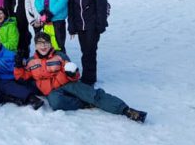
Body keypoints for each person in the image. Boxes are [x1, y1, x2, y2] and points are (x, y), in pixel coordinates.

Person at [18, 33, 147, 123]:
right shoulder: (31, 62)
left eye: (46, 43)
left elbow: (73, 72)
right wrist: (18, 66)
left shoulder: (60, 56)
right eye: (40, 44)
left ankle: (126, 110)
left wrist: (72, 74)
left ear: (51, 44)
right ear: (35, 46)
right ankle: (83, 103)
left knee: (92, 94)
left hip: (67, 83)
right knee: (56, 103)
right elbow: (23, 77)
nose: (43, 46)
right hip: (52, 91)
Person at [67, 0, 108, 86]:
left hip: (92, 25)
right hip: (80, 26)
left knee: (89, 52)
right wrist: (72, 26)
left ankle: (89, 79)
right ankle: (87, 77)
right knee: (85, 51)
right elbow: (71, 9)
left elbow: (102, 4)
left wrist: (101, 24)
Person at [0, 35, 41, 108]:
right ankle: (32, 99)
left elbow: (21, 61)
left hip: (15, 75)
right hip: (2, 79)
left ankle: (41, 90)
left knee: (30, 85)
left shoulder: (8, 53)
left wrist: (22, 61)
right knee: (11, 87)